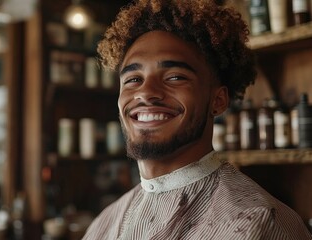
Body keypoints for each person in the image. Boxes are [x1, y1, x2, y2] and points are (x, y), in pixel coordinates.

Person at [83, 0, 312, 239]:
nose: (146, 92)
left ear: (218, 100)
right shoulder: (105, 222)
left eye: (174, 77)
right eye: (133, 79)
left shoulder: (256, 223)